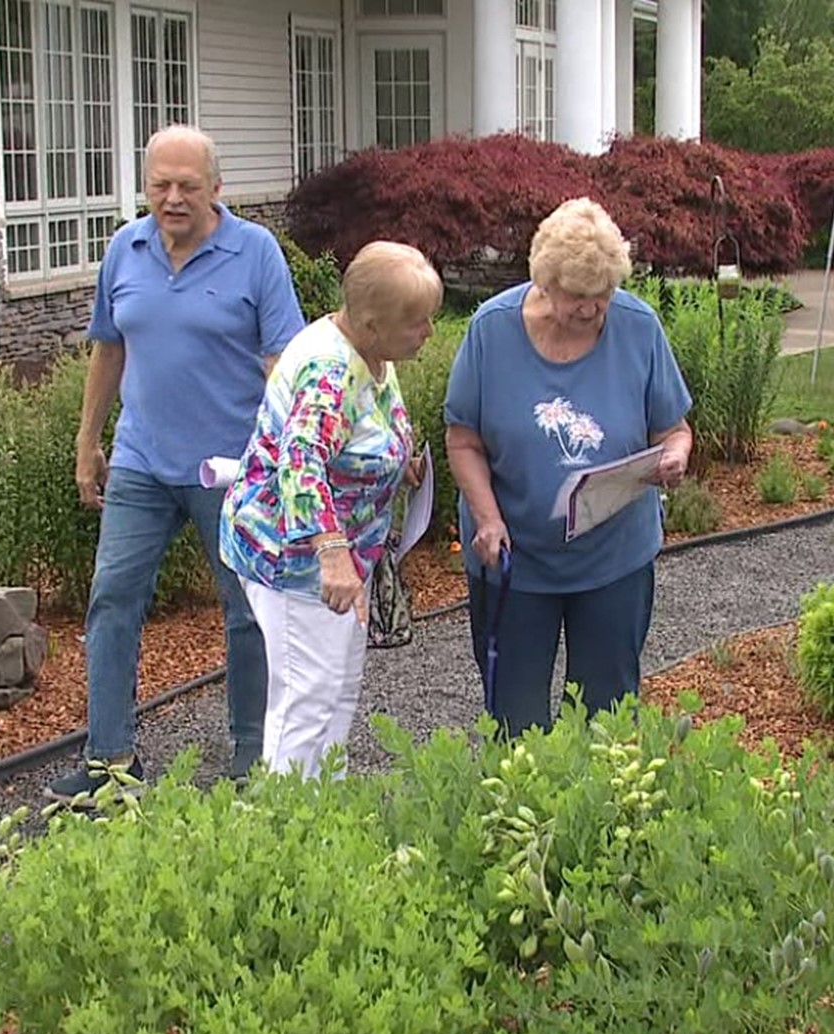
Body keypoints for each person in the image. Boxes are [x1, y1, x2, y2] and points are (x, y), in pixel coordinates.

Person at [47, 125, 307, 804]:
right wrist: (88, 440)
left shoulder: (256, 254)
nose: (172, 198)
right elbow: (108, 349)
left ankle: (253, 760)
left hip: (232, 469)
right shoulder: (123, 250)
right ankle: (109, 763)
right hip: (140, 460)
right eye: (160, 184)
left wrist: (288, 457)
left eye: (187, 186)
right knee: (112, 599)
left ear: (217, 189)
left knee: (248, 610)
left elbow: (285, 361)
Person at [443, 198, 694, 737]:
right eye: (578, 296)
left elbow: (673, 429)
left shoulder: (638, 327)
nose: (592, 309)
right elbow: (463, 439)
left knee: (606, 720)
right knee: (516, 721)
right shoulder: (491, 331)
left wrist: (674, 456)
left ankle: (600, 821)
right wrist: (487, 520)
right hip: (514, 558)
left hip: (614, 559)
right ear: (544, 282)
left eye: (603, 294)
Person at [218, 242, 441, 780]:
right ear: (369, 324)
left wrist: (395, 467)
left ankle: (325, 823)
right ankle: (282, 838)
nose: (429, 333)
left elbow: (355, 436)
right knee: (305, 701)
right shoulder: (328, 372)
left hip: (339, 559)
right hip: (296, 562)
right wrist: (333, 554)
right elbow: (299, 464)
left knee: (337, 692)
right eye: (417, 322)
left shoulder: (372, 353)